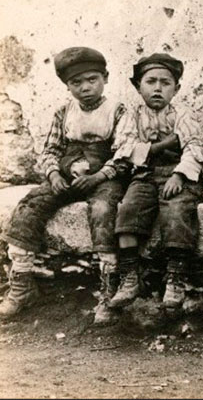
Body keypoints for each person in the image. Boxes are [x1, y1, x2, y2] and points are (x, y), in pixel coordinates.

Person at [0, 47, 131, 325]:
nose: (85, 87)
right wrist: (54, 175)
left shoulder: (117, 111)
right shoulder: (64, 113)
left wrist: (99, 176)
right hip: (67, 173)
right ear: (67, 86)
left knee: (103, 210)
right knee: (31, 204)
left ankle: (109, 290)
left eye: (92, 79)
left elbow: (124, 153)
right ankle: (22, 285)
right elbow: (51, 150)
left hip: (104, 177)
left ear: (105, 78)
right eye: (76, 82)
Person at [107, 53, 203, 311]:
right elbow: (124, 147)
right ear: (139, 87)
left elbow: (194, 145)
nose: (158, 88)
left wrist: (179, 174)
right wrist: (160, 146)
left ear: (177, 88)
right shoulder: (133, 115)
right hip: (144, 175)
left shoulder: (182, 113)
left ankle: (176, 276)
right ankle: (130, 276)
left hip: (177, 174)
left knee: (176, 211)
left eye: (166, 82)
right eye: (150, 82)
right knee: (128, 210)